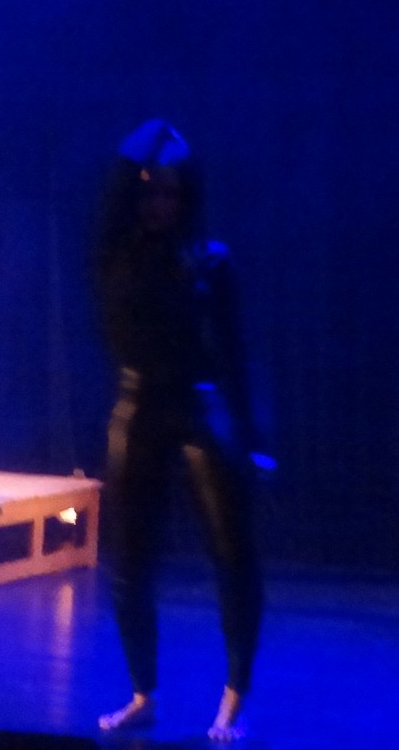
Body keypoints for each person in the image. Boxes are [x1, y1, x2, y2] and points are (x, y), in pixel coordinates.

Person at [93, 121, 263, 742]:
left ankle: (233, 699)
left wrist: (252, 437)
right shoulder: (115, 251)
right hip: (138, 404)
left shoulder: (210, 259)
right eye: (151, 191)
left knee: (232, 556)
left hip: (199, 407)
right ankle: (144, 694)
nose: (160, 203)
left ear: (186, 196)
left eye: (172, 192)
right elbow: (116, 182)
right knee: (129, 561)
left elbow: (236, 353)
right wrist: (156, 134)